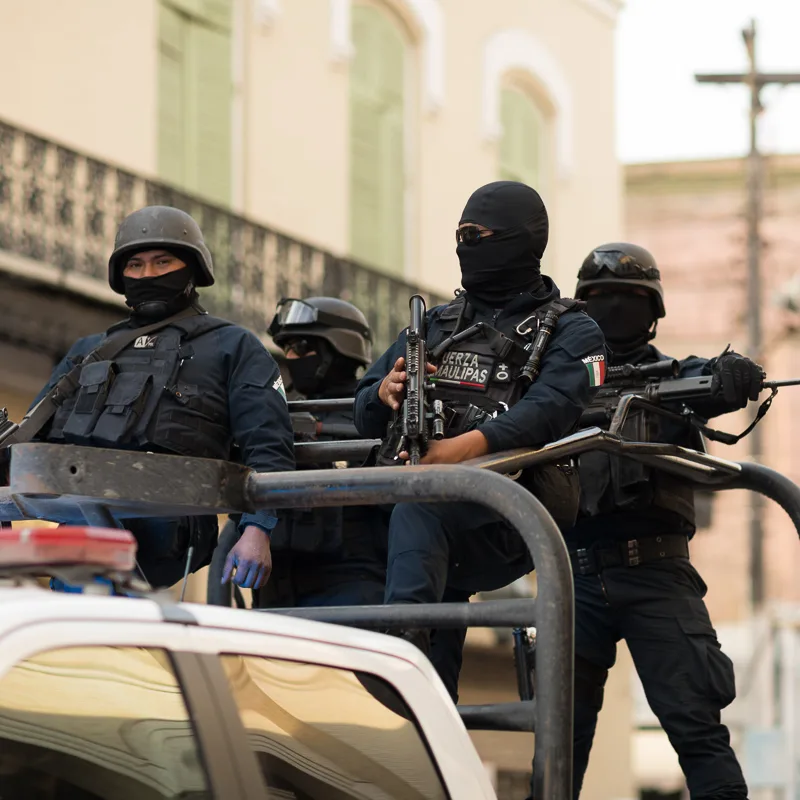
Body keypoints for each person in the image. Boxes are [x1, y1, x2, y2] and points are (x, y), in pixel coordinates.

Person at [354, 180, 606, 699]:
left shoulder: (574, 331)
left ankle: (397, 656)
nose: (467, 245)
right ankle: (419, 714)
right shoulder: (436, 324)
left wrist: (459, 453)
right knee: (342, 521)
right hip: (417, 516)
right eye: (461, 234)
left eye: (480, 234)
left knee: (420, 511)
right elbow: (360, 412)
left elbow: (550, 411)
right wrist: (386, 391)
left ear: (521, 239)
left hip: (509, 513)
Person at [567, 242, 759, 799]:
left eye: (627, 299)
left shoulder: (677, 381)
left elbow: (710, 377)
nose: (615, 310)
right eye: (601, 299)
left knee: (698, 734)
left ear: (652, 311)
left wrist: (731, 374)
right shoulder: (558, 387)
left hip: (657, 575)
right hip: (571, 575)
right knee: (556, 742)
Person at [31, 206, 295, 591]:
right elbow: (30, 440)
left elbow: (269, 445)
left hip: (169, 517)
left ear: (192, 268)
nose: (148, 275)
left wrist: (259, 529)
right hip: (79, 514)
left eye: (162, 262)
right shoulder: (88, 351)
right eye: (135, 265)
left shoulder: (233, 345)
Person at [248, 296, 389, 607]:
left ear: (337, 349)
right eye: (286, 349)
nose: (291, 357)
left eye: (300, 347)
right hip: (277, 580)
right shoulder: (280, 407)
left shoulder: (375, 408)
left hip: (352, 581)